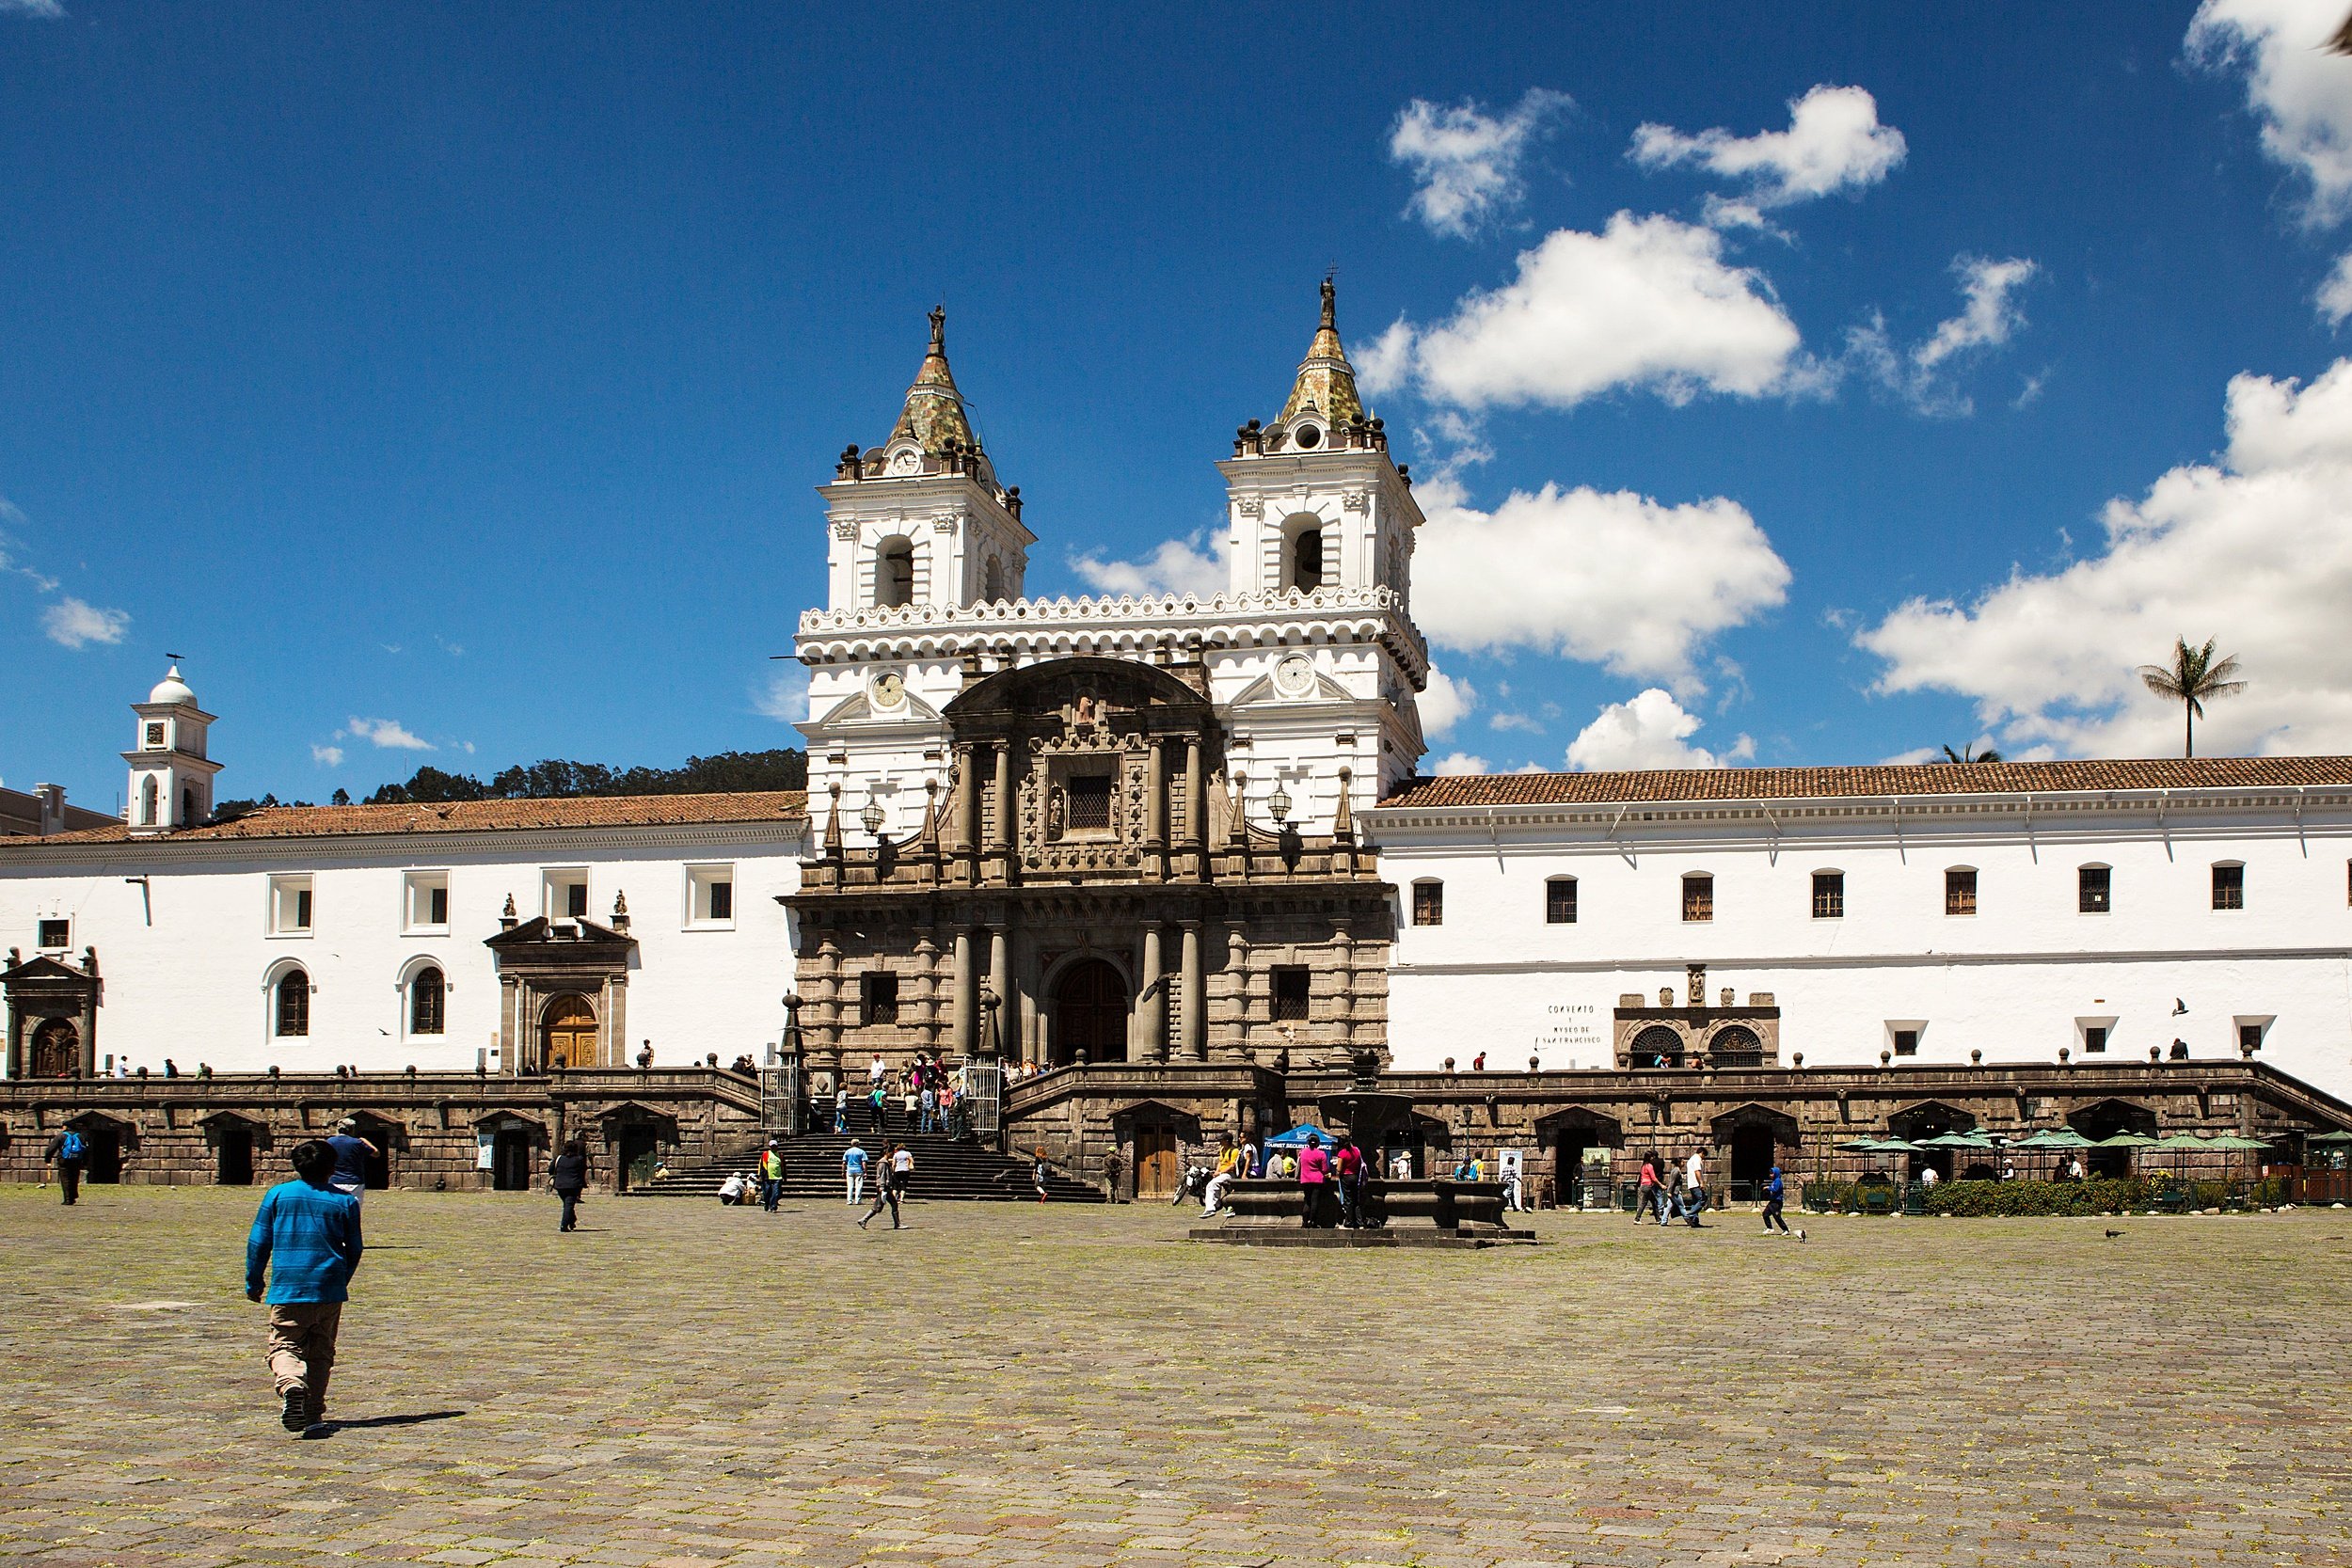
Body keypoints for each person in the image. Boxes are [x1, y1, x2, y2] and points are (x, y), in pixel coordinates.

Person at [246, 1138, 364, 1433]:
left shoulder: (278, 1195)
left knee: (284, 1345)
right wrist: (340, 1279)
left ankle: (291, 1384)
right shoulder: (345, 1201)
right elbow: (355, 1248)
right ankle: (312, 1414)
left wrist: (254, 1279)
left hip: (288, 1287)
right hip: (328, 1288)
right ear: (333, 1168)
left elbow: (259, 1241)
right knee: (321, 1352)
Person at [325, 1119, 376, 1206]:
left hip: (334, 1180)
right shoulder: (357, 1142)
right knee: (354, 1208)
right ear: (351, 1129)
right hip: (354, 1181)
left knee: (335, 1207)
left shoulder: (330, 1141)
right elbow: (376, 1153)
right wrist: (365, 1141)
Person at [859, 1146, 904, 1228]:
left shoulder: (885, 1162)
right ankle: (897, 1224)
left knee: (879, 1206)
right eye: (892, 1152)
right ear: (887, 1152)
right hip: (884, 1187)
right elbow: (882, 1176)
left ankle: (864, 1220)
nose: (893, 1154)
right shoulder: (883, 1163)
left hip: (885, 1187)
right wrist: (882, 1187)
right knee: (888, 1205)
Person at [549, 1139, 588, 1232]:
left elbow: (551, 1170)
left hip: (560, 1186)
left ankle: (571, 1221)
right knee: (569, 1206)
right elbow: (583, 1171)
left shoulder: (559, 1159)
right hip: (573, 1186)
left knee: (567, 1205)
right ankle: (564, 1225)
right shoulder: (579, 1159)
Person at [45, 1125, 88, 1206]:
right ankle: (73, 1196)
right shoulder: (81, 1136)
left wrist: (48, 1159)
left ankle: (68, 1199)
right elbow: (85, 1150)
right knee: (74, 1178)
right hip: (77, 1160)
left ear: (65, 1127)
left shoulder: (61, 1136)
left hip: (64, 1160)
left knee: (65, 1179)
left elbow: (51, 1149)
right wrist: (85, 1162)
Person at [1202, 1135, 1244, 1217]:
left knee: (1212, 1185)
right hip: (1222, 1173)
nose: (1220, 1142)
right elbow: (1220, 1162)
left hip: (1230, 1174)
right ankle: (1217, 1204)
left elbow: (1232, 1166)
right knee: (1210, 1182)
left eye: (1221, 1140)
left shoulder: (1234, 1151)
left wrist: (1220, 1173)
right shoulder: (1222, 1149)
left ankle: (1211, 1209)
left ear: (1227, 1141)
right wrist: (1217, 1172)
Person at [1297, 1133, 1330, 1228]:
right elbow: (1325, 1169)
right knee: (1315, 1201)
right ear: (1318, 1143)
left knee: (1307, 1201)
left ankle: (1304, 1222)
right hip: (1317, 1180)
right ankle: (1313, 1222)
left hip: (1305, 1180)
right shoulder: (1321, 1154)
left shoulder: (1302, 1152)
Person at [1333, 1135, 1366, 1228]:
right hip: (1355, 1176)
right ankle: (1360, 1222)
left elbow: (1339, 1168)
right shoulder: (1356, 1150)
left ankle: (1349, 1222)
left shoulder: (1342, 1153)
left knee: (1348, 1200)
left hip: (1346, 1177)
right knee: (1356, 1199)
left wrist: (1337, 1175)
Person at [1761, 1164, 1792, 1236]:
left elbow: (1775, 1189)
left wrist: (1767, 1188)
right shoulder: (1774, 1181)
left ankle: (1785, 1229)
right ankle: (1769, 1228)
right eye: (1770, 1173)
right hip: (1772, 1201)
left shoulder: (1778, 1181)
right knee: (1765, 1214)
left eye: (1772, 1173)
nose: (1771, 1175)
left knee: (1777, 1217)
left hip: (1777, 1202)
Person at [1635, 1151, 1661, 1226]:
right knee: (1644, 1203)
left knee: (1654, 1202)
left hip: (1643, 1185)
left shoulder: (1643, 1166)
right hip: (1648, 1186)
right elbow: (1653, 1178)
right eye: (1652, 1157)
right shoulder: (1649, 1166)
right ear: (1650, 1157)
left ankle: (1658, 1219)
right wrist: (1661, 1185)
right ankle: (1637, 1218)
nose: (1653, 1158)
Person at [757, 1143, 786, 1212]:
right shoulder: (765, 1154)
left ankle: (773, 1206)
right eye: (772, 1146)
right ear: (770, 1146)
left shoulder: (780, 1155)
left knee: (776, 1193)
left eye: (775, 1146)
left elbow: (783, 1167)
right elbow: (761, 1165)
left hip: (777, 1177)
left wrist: (784, 1176)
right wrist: (760, 1175)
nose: (773, 1147)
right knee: (767, 1193)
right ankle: (767, 1204)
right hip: (767, 1177)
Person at [843, 1140, 868, 1205]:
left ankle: (849, 1200)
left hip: (849, 1170)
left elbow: (844, 1162)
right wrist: (865, 1171)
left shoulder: (848, 1151)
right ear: (857, 1144)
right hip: (859, 1169)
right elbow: (864, 1162)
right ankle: (858, 1200)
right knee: (859, 1186)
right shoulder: (861, 1151)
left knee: (850, 1186)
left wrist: (843, 1171)